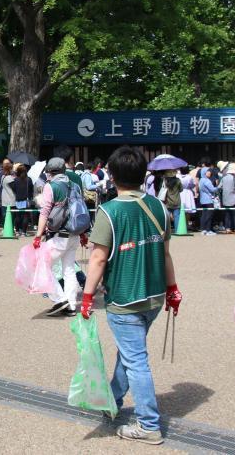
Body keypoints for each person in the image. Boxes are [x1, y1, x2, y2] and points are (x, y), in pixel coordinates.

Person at [79, 146, 181, 445]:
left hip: (124, 297)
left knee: (136, 359)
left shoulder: (109, 212)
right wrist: (173, 289)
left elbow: (98, 259)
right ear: (143, 175)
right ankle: (113, 401)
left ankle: (149, 423)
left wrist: (86, 299)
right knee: (130, 352)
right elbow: (165, 253)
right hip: (154, 294)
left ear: (111, 176)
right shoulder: (159, 207)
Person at [33, 157, 83, 317]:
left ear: (50, 172)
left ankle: (60, 300)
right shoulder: (74, 185)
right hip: (74, 233)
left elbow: (45, 211)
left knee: (42, 265)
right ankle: (71, 305)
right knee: (68, 270)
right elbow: (79, 209)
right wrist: (83, 233)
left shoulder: (51, 186)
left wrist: (38, 235)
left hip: (58, 235)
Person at [220, 163, 235, 234]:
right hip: (234, 198)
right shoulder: (234, 178)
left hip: (225, 199)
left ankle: (228, 228)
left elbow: (219, 187)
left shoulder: (223, 178)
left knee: (227, 214)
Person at [12, 164, 33, 236]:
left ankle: (17, 231)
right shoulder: (29, 179)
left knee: (17, 216)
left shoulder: (15, 180)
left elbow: (14, 189)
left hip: (18, 199)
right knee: (25, 216)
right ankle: (24, 232)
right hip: (26, 200)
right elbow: (31, 190)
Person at [198, 168, 218, 236]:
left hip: (202, 200)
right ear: (204, 173)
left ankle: (203, 229)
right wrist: (219, 187)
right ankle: (208, 230)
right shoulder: (207, 180)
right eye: (208, 172)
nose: (209, 173)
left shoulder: (201, 180)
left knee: (203, 215)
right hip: (209, 200)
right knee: (209, 215)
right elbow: (212, 190)